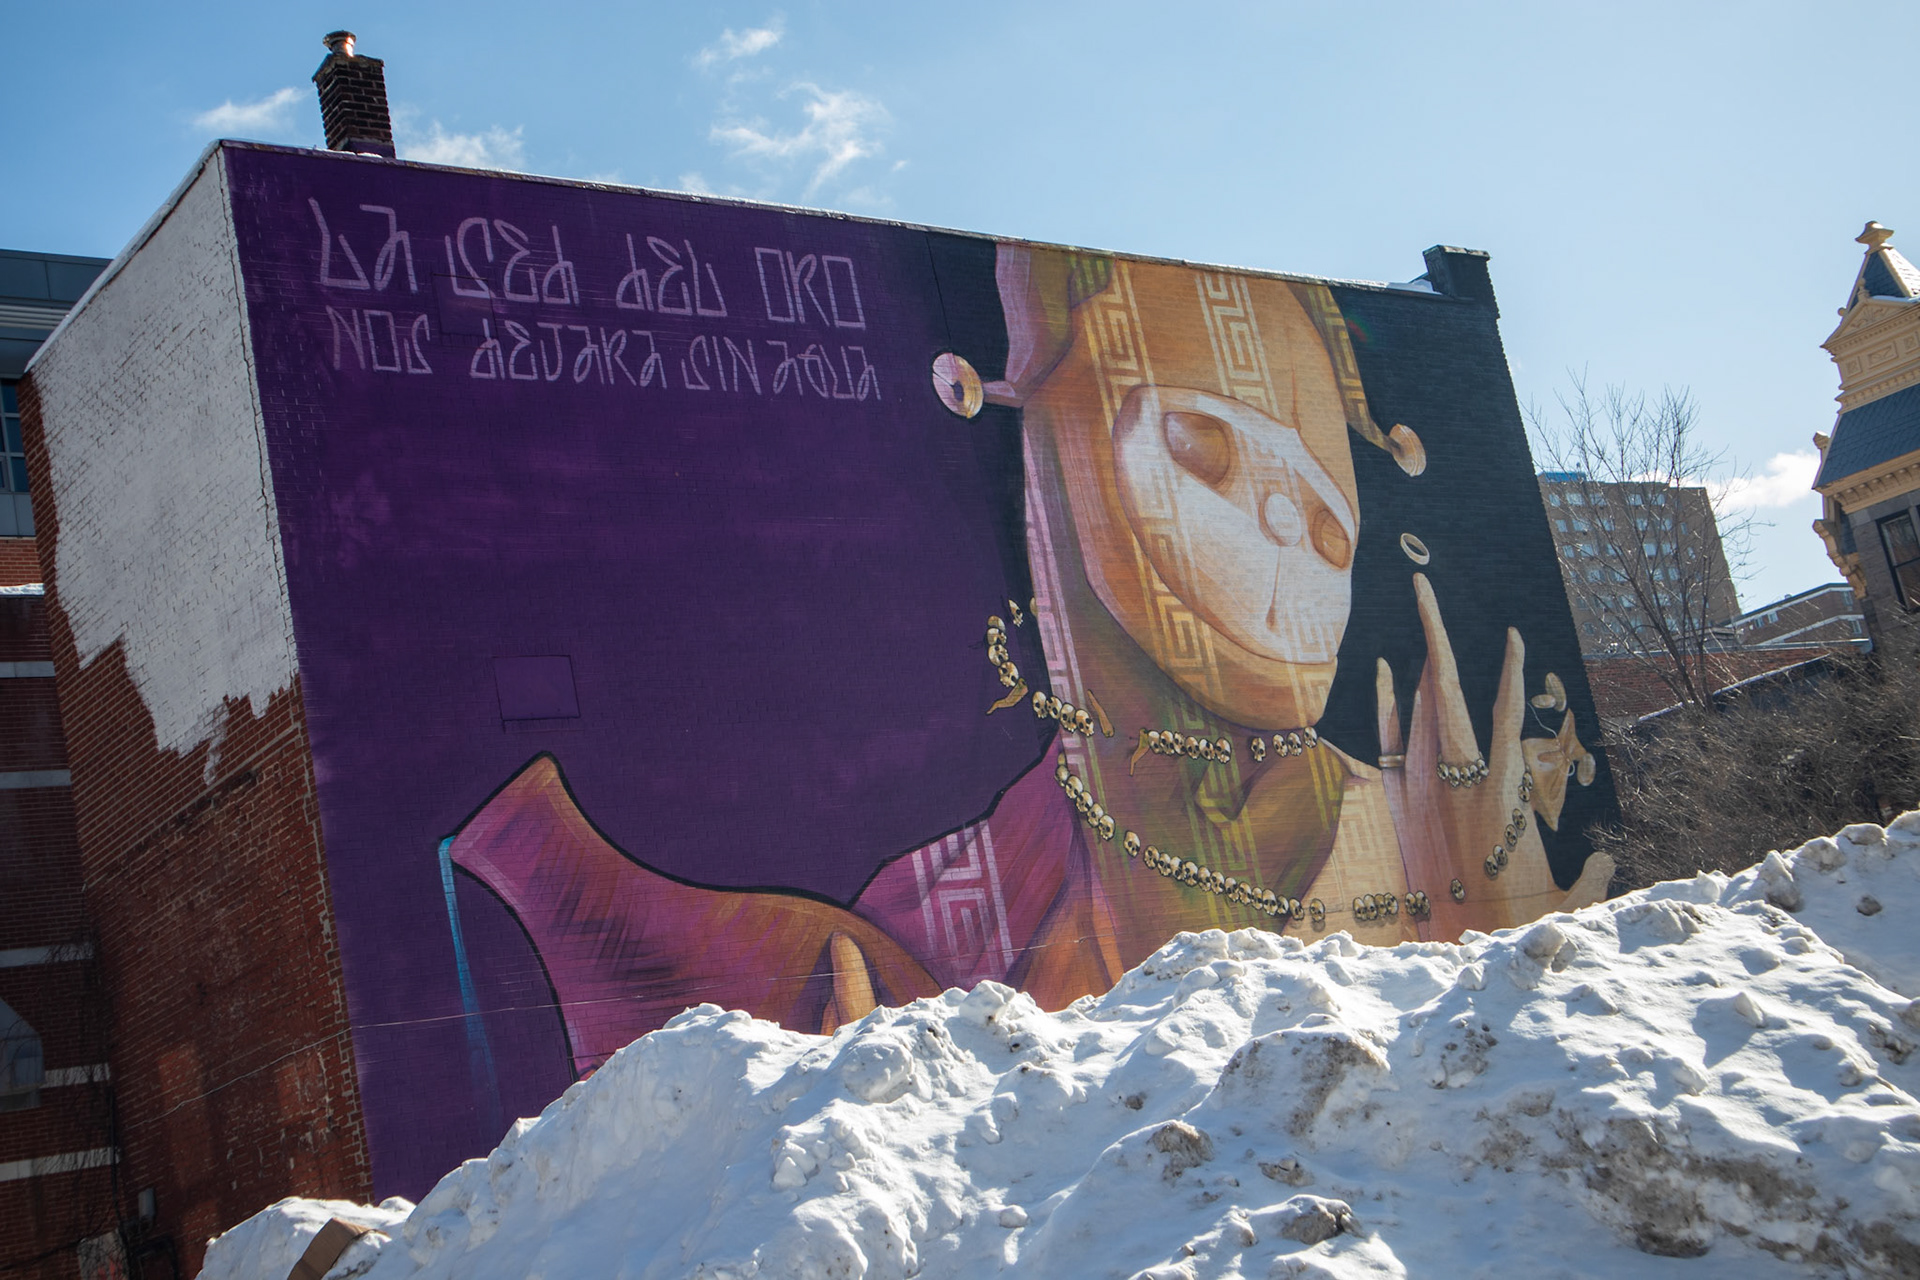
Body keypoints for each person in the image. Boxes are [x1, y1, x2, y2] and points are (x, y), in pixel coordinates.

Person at [445, 244, 1609, 1075]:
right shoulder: (945, 900)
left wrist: (1485, 942)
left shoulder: (1410, 825)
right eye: (1202, 444)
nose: (1277, 545)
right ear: (1061, 434)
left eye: (1327, 528)